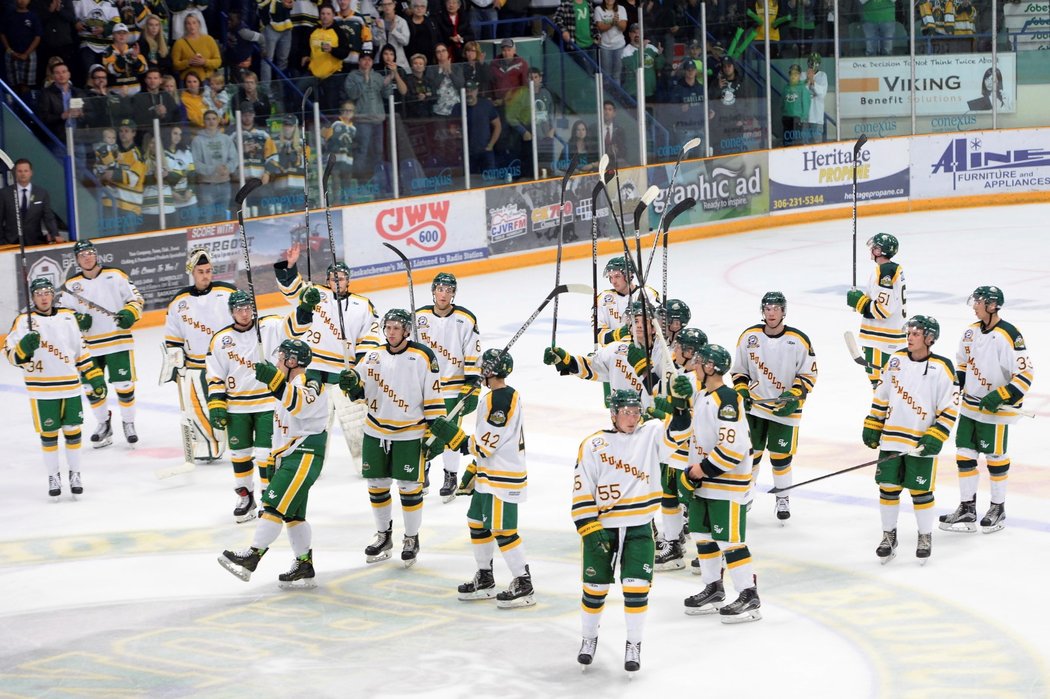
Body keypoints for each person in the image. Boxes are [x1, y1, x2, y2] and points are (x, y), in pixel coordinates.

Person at [571, 384, 692, 673]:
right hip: (603, 528)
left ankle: (634, 643)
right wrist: (588, 526)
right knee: (594, 588)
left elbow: (678, 432)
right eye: (627, 411)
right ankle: (589, 638)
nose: (633, 417)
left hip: (639, 526)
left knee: (636, 589)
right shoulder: (593, 444)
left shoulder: (650, 434)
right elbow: (581, 486)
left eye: (636, 411)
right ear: (613, 413)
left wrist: (680, 407)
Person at [218, 339, 331, 589]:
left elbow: (299, 404)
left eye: (281, 359)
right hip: (290, 454)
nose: (277, 362)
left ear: (292, 362)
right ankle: (304, 564)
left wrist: (274, 380)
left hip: (305, 453)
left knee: (273, 506)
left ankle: (253, 555)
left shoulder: (308, 383)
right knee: (293, 515)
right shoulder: (289, 384)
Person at [337, 308, 444, 567]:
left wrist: (436, 431)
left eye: (397, 328)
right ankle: (384, 535)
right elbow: (359, 389)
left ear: (407, 330)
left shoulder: (422, 357)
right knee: (377, 484)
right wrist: (351, 383)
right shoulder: (373, 355)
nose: (392, 332)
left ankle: (411, 538)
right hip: (375, 430)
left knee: (408, 487)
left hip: (410, 432)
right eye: (389, 327)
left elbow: (433, 396)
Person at [429, 348, 534, 607]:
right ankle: (485, 578)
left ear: (488, 372)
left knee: (503, 530)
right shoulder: (494, 396)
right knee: (476, 522)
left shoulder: (502, 399)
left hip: (503, 476)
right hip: (489, 472)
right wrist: (476, 469)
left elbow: (487, 444)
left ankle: (524, 582)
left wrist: (455, 438)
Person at [207, 287, 318, 522]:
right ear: (232, 312)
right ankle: (245, 497)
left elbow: (295, 327)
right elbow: (215, 374)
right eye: (239, 309)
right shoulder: (220, 339)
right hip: (237, 406)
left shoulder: (270, 326)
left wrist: (305, 308)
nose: (245, 314)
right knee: (239, 453)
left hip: (268, 402)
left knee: (265, 454)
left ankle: (269, 498)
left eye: (248, 308)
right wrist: (216, 402)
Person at [862, 315, 958, 564]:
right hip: (891, 437)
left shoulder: (942, 368)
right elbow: (881, 395)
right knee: (888, 488)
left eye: (916, 333)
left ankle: (925, 536)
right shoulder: (895, 360)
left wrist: (937, 435)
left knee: (920, 491)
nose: (910, 336)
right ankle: (888, 536)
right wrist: (873, 422)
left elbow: (949, 409)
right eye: (909, 332)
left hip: (920, 442)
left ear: (929, 338)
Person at [940, 286, 1035, 534]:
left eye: (979, 302)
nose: (974, 305)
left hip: (996, 411)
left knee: (995, 457)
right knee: (964, 454)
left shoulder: (1009, 334)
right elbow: (961, 363)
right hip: (970, 407)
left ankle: (997, 507)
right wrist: (957, 385)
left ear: (992, 305)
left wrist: (1002, 394)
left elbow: (1025, 374)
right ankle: (967, 507)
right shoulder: (970, 332)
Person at [273, 243, 380, 457]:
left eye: (341, 277)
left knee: (354, 421)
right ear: (327, 280)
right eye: (333, 278)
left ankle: (363, 461)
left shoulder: (363, 305)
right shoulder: (315, 293)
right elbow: (292, 290)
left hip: (343, 372)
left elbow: (370, 337)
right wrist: (291, 266)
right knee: (312, 419)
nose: (337, 281)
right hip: (313, 368)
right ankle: (308, 456)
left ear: (348, 280)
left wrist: (358, 369)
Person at [680, 343, 761, 622]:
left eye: (700, 361)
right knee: (703, 536)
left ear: (711, 367)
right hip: (706, 481)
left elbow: (734, 447)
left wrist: (700, 470)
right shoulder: (703, 394)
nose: (696, 364)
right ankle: (713, 587)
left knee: (730, 540)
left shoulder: (726, 399)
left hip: (726, 482)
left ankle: (749, 595)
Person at [5, 278, 106, 499]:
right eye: (38, 293)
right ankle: (53, 476)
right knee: (49, 434)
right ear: (33, 297)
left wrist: (95, 376)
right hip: (42, 390)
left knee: (73, 432)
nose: (43, 296)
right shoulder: (23, 321)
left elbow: (82, 351)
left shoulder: (68, 317)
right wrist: (23, 348)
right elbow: (10, 354)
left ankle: (75, 474)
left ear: (53, 295)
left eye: (47, 292)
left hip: (70, 386)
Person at [730, 292, 817, 521]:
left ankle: (782, 498)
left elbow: (808, 374)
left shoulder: (798, 340)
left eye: (776, 309)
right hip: (755, 407)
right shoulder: (749, 336)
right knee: (751, 455)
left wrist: (794, 396)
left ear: (783, 311)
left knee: (781, 457)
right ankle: (746, 494)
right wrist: (741, 390)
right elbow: (739, 370)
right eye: (768, 308)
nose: (771, 313)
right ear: (762, 311)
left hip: (785, 409)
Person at [58, 240, 144, 447]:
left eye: (89, 253)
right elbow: (62, 314)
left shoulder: (116, 275)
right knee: (91, 387)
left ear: (96, 255)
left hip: (118, 341)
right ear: (77, 260)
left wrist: (129, 313)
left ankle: (129, 423)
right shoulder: (71, 285)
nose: (87, 257)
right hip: (88, 347)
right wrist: (76, 320)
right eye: (82, 255)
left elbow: (137, 299)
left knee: (124, 385)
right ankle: (104, 424)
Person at [163, 248, 237, 461]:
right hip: (195, 365)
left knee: (230, 403)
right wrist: (175, 360)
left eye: (209, 271)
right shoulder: (179, 301)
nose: (206, 275)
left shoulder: (227, 292)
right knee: (199, 407)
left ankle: (236, 440)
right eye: (201, 272)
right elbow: (173, 336)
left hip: (225, 361)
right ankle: (209, 445)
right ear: (192, 273)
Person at [414, 272, 481, 501]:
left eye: (449, 290)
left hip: (453, 388)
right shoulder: (419, 316)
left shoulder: (465, 319)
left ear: (454, 294)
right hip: (426, 387)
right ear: (433, 290)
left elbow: (472, 351)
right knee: (420, 430)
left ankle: (450, 475)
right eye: (440, 288)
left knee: (451, 433)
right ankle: (422, 471)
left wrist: (472, 384)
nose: (444, 293)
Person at [545, 299, 671, 412]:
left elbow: (669, 390)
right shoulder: (616, 350)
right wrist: (565, 360)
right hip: (622, 421)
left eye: (644, 321)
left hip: (655, 423)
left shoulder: (665, 353)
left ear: (654, 328)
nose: (638, 325)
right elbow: (590, 365)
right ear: (629, 326)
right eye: (635, 321)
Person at [652, 325, 707, 571]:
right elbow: (656, 391)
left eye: (680, 346)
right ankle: (673, 544)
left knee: (695, 500)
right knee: (669, 495)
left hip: (692, 448)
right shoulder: (671, 368)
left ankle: (710, 548)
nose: (674, 349)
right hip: (672, 445)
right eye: (678, 346)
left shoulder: (698, 379)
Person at [846, 232, 906, 387]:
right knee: (886, 386)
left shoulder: (885, 271)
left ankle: (881, 412)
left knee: (883, 387)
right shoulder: (890, 269)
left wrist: (859, 302)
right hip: (887, 340)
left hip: (882, 341)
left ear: (880, 251)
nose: (872, 249)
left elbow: (882, 310)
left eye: (875, 247)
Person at [344, 49, 394, 179]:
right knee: (362, 150)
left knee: (378, 151)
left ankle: (378, 179)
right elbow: (352, 94)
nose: (367, 62)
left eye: (370, 59)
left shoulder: (377, 76)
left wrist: (388, 83)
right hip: (362, 120)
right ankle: (359, 179)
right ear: (359, 61)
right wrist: (364, 80)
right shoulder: (352, 76)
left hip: (378, 120)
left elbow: (387, 95)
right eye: (364, 59)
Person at [595, 256, 660, 346]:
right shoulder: (603, 299)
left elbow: (658, 328)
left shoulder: (647, 294)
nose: (613, 281)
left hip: (643, 353)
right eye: (610, 277)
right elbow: (599, 336)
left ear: (629, 276)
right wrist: (622, 333)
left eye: (617, 276)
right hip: (615, 354)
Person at [302, 4, 353, 112]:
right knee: (297, 92)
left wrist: (332, 50)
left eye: (328, 14)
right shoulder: (313, 30)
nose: (325, 16)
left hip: (332, 73)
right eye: (323, 14)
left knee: (331, 104)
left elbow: (345, 52)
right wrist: (305, 55)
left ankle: (332, 127)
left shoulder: (338, 31)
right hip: (313, 72)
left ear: (333, 15)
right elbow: (305, 46)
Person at [190, 110, 238, 221]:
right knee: (208, 220)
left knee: (223, 219)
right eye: (208, 119)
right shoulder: (197, 140)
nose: (211, 121)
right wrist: (213, 169)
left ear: (218, 121)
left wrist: (227, 168)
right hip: (207, 186)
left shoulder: (226, 139)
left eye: (214, 119)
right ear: (204, 122)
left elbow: (235, 159)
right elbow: (195, 163)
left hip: (225, 184)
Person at [0, 159, 59, 245]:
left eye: (26, 171)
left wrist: (55, 234)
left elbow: (48, 217)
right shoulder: (4, 193)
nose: (23, 174)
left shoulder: (41, 193)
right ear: (14, 173)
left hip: (35, 242)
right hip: (9, 242)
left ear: (31, 172)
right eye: (19, 171)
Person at [454, 81, 500, 176]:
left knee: (490, 182)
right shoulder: (458, 107)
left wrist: (490, 145)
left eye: (472, 91)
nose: (469, 94)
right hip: (467, 153)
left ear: (477, 91)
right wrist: (458, 139)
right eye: (467, 91)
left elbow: (497, 126)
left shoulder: (486, 105)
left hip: (486, 152)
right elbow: (452, 129)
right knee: (470, 183)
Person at [36, 61, 86, 142]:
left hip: (79, 137)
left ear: (69, 74)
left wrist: (82, 114)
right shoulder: (46, 93)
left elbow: (91, 113)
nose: (61, 75)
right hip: (57, 138)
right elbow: (42, 117)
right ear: (52, 76)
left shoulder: (79, 92)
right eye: (57, 73)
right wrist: (61, 116)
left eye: (64, 72)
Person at [2, 0, 43, 91]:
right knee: (12, 84)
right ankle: (14, 104)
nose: (22, 1)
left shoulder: (33, 16)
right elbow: (2, 33)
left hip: (29, 53)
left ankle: (26, 103)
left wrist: (26, 53)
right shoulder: (9, 15)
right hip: (11, 53)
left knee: (26, 85)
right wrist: (9, 50)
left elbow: (38, 36)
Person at [171, 12, 221, 82]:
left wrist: (205, 62)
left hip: (207, 79)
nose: (192, 26)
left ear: (199, 24)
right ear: (185, 26)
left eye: (194, 23)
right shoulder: (179, 43)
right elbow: (175, 64)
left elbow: (218, 61)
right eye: (188, 23)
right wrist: (188, 62)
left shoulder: (209, 39)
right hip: (188, 80)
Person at [102, 23, 148, 96]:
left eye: (124, 33)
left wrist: (135, 58)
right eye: (118, 33)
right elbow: (112, 70)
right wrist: (123, 56)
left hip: (135, 92)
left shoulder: (134, 49)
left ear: (128, 35)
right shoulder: (108, 51)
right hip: (115, 92)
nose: (122, 35)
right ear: (113, 35)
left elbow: (144, 69)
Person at [163, 125, 198, 221]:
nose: (177, 136)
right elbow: (162, 179)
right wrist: (172, 193)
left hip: (189, 200)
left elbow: (192, 174)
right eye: (175, 133)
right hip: (172, 202)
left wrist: (190, 190)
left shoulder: (186, 150)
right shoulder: (162, 153)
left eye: (180, 134)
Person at [259, 0, 295, 86]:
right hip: (269, 26)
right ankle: (266, 92)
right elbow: (260, 4)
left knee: (283, 61)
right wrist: (281, 3)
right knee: (267, 60)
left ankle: (281, 93)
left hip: (287, 26)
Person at [490, 38, 528, 107]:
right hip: (498, 103)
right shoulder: (494, 64)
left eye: (509, 50)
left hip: (516, 103)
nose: (506, 53)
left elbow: (525, 85)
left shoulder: (522, 64)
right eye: (504, 50)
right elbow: (491, 84)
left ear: (514, 51)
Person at [371, 0, 409, 69]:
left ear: (394, 5)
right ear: (381, 6)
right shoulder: (377, 22)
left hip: (398, 60)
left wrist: (394, 31)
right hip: (381, 61)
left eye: (389, 4)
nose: (387, 7)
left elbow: (405, 41)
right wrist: (380, 30)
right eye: (384, 5)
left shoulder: (401, 21)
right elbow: (375, 43)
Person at [780, 63, 808, 146]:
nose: (793, 76)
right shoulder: (786, 88)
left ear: (799, 75)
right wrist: (784, 113)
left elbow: (806, 104)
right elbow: (782, 102)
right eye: (791, 74)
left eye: (796, 74)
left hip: (797, 119)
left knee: (796, 141)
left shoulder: (802, 88)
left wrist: (803, 117)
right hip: (787, 117)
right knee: (787, 140)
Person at [803, 52, 827, 143]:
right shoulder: (802, 75)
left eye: (815, 63)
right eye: (811, 62)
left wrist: (813, 80)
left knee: (817, 144)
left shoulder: (822, 76)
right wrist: (808, 79)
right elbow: (802, 92)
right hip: (805, 118)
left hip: (817, 117)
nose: (812, 65)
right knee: (804, 144)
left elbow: (822, 93)